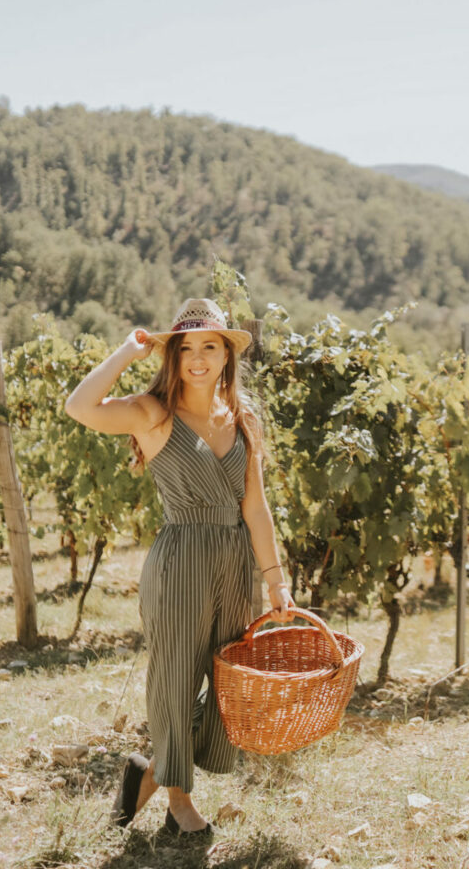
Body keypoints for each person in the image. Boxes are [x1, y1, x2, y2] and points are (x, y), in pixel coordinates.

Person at [64, 297, 294, 838]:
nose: (197, 358)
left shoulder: (243, 417)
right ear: (172, 357)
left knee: (224, 681)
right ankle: (177, 802)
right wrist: (127, 351)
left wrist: (275, 578)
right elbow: (80, 405)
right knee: (175, 681)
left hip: (236, 563)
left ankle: (146, 776)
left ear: (225, 356)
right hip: (181, 561)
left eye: (209, 346)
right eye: (185, 348)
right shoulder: (152, 412)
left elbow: (255, 507)